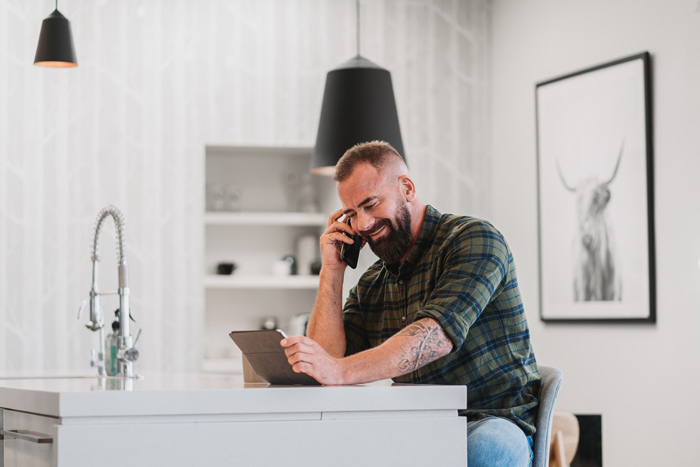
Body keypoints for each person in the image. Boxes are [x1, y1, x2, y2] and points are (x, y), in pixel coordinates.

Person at [281, 141, 540, 466]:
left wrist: (338, 371)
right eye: (351, 213)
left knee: (486, 448)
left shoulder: (475, 239)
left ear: (406, 187)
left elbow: (437, 335)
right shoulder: (372, 283)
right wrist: (332, 271)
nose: (363, 224)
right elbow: (327, 365)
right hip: (417, 426)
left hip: (491, 421)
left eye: (370, 204)